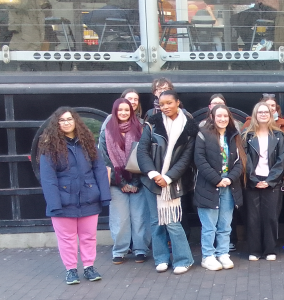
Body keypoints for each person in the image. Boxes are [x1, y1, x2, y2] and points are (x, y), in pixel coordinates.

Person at [39, 107, 110, 284]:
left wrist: (104, 195)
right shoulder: (50, 147)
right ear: (57, 124)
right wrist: (55, 204)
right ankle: (71, 270)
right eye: (62, 120)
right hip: (63, 202)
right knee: (67, 239)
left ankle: (89, 267)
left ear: (75, 121)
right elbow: (48, 178)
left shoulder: (88, 144)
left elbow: (99, 170)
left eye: (69, 119)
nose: (67, 122)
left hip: (88, 198)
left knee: (89, 236)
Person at [137, 90, 198, 274]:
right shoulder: (152, 123)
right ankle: (161, 258)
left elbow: (186, 159)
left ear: (178, 102)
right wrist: (154, 174)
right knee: (156, 221)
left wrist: (168, 177)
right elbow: (142, 152)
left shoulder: (189, 127)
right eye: (162, 104)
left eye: (169, 103)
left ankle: (184, 259)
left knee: (172, 221)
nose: (165, 107)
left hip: (174, 182)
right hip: (151, 180)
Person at [193, 104, 245, 271]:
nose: (222, 119)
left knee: (225, 224)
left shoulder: (233, 135)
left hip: (229, 186)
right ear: (212, 117)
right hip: (209, 185)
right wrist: (217, 179)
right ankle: (208, 256)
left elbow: (240, 162)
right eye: (219, 116)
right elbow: (199, 160)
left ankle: (223, 253)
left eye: (225, 116)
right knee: (209, 226)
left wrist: (230, 179)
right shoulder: (203, 135)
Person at [99, 98, 150, 265]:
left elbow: (143, 155)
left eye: (126, 110)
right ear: (115, 111)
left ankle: (141, 249)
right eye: (120, 110)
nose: (123, 113)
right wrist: (121, 183)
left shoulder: (140, 128)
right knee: (120, 219)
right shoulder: (107, 130)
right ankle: (120, 250)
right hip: (116, 184)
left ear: (131, 111)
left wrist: (134, 183)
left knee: (139, 218)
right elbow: (104, 159)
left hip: (138, 183)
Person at [242, 102, 284, 261]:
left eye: (266, 112)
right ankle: (254, 250)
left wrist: (270, 180)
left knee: (270, 217)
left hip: (271, 181)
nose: (263, 114)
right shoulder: (247, 135)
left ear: (270, 114)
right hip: (253, 182)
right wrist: (254, 180)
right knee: (253, 218)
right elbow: (244, 160)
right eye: (259, 112)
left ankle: (270, 250)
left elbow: (282, 160)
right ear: (255, 115)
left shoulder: (279, 135)